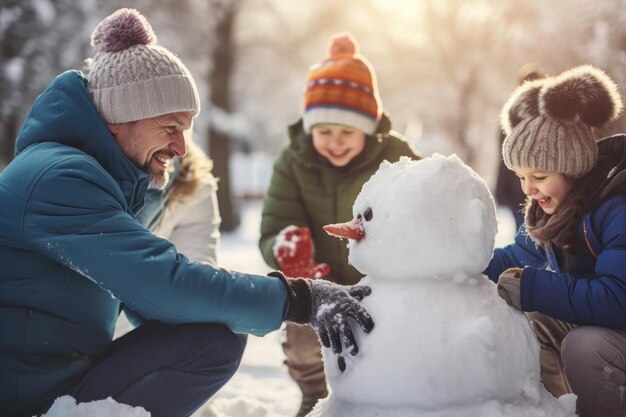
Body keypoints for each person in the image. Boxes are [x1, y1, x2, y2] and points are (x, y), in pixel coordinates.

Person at [0, 9, 374, 417]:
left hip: (51, 379)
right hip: (23, 398)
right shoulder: (60, 178)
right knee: (212, 340)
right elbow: (163, 284)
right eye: (170, 127)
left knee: (211, 336)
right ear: (117, 119)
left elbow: (156, 300)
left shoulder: (90, 174)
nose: (181, 148)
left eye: (187, 129)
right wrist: (298, 298)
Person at [259, 33, 420, 417]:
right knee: (301, 333)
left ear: (367, 128)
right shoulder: (292, 161)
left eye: (347, 132)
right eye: (324, 131)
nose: (335, 142)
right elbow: (275, 222)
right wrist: (285, 248)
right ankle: (315, 394)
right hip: (320, 286)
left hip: (383, 284)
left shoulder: (396, 154)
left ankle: (393, 401)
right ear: (309, 128)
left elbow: (423, 213)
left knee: (396, 345)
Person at [484, 65, 626, 417]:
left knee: (584, 344)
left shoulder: (615, 208)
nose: (528, 189)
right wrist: (464, 266)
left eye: (539, 176)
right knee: (530, 319)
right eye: (520, 177)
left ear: (571, 166)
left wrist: (535, 287)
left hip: (616, 324)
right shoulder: (555, 215)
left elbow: (619, 298)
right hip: (610, 327)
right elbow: (516, 255)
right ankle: (556, 409)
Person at [136, 138, 220, 265]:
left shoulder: (195, 188)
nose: (180, 149)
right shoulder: (99, 169)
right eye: (168, 126)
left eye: (182, 128)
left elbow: (194, 277)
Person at [494, 63, 546, 231]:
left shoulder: (511, 114)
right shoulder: (548, 116)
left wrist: (501, 187)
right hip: (532, 187)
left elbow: (503, 156)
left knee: (525, 235)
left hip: (518, 186)